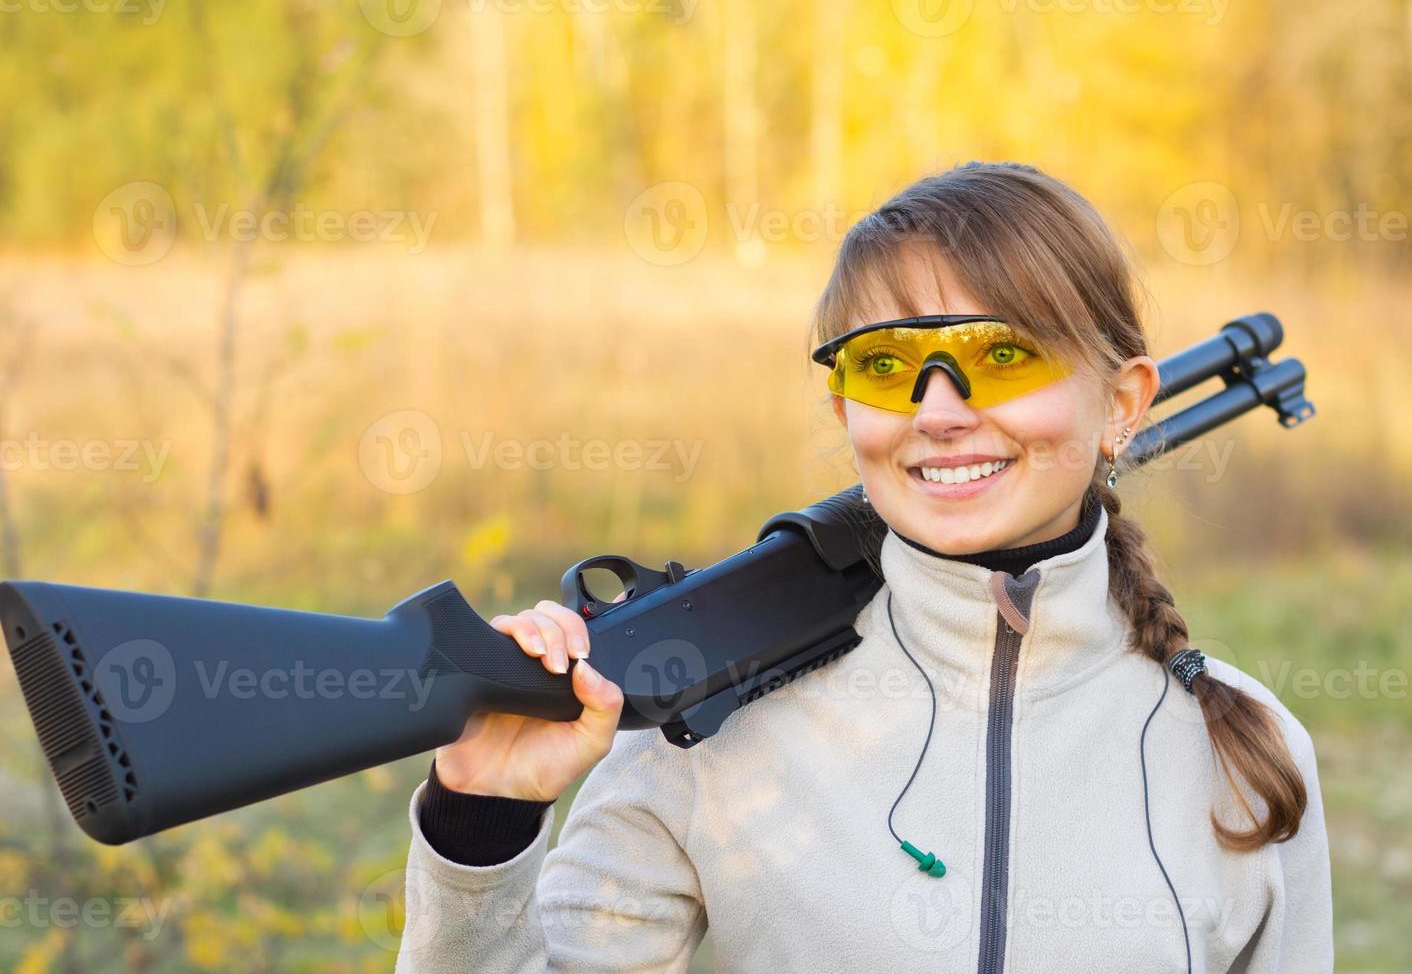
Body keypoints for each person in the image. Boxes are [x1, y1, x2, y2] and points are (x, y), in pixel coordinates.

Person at [393, 160, 1333, 973]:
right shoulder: (708, 725)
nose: (938, 410)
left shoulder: (1242, 751)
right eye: (886, 365)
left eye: (1001, 354)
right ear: (846, 411)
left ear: (1124, 402)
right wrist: (482, 824)